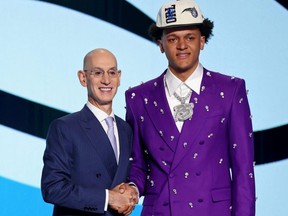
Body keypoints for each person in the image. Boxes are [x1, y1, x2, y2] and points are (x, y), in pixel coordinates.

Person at [125, 0, 256, 215]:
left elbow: (244, 171)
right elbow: (137, 165)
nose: (182, 45)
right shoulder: (138, 98)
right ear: (160, 44)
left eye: (190, 38)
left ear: (202, 41)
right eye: (173, 39)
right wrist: (130, 189)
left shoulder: (230, 90)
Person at [41, 48, 138, 216]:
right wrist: (108, 198)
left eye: (112, 72)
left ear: (119, 77)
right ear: (83, 78)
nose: (106, 80)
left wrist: (131, 192)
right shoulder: (65, 127)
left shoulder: (126, 129)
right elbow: (53, 188)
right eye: (98, 73)